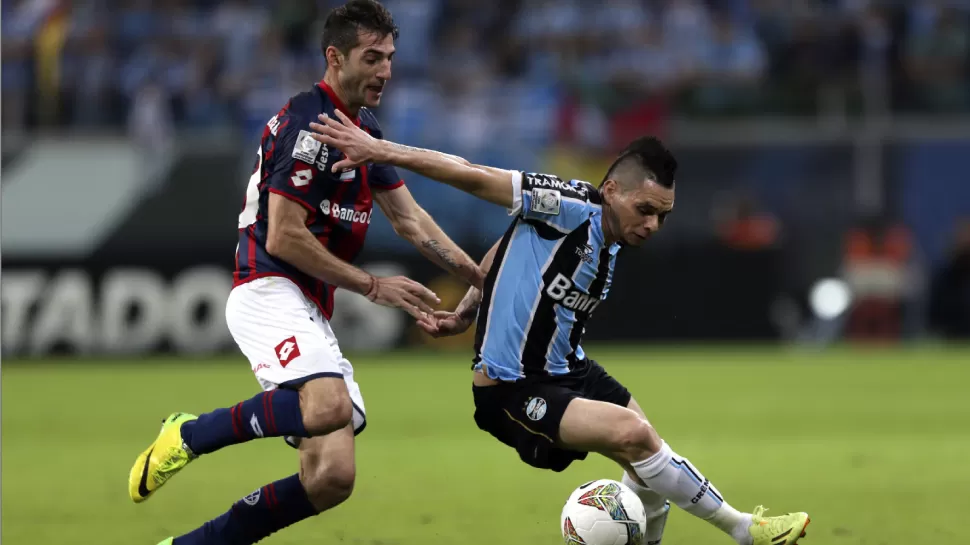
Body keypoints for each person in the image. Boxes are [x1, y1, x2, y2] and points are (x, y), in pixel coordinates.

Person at [307, 111, 812, 545]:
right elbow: (471, 172)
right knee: (635, 435)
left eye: (663, 216)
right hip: (512, 388)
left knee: (648, 459)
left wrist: (466, 310)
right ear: (611, 189)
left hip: (570, 369)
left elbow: (509, 247)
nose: (653, 225)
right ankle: (745, 530)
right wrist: (380, 150)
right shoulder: (568, 203)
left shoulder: (610, 239)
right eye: (645, 210)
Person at [127, 2, 483, 544]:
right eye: (373, 57)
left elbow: (410, 221)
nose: (386, 70)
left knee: (332, 477)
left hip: (309, 304)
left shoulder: (361, 131)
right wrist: (372, 285)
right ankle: (189, 434)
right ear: (335, 57)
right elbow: (283, 236)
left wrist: (479, 277)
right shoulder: (308, 126)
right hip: (265, 287)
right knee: (328, 404)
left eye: (390, 57)